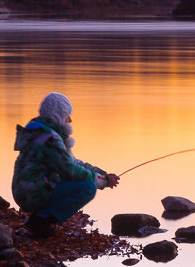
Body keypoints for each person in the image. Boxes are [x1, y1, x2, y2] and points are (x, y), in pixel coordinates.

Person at [12, 92, 119, 237]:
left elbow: (72, 162)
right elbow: (71, 170)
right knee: (88, 188)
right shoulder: (49, 137)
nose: (70, 120)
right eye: (67, 115)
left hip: (26, 190)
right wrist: (101, 180)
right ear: (58, 114)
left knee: (80, 180)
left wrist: (101, 174)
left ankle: (41, 217)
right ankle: (40, 221)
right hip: (31, 193)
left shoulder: (38, 130)